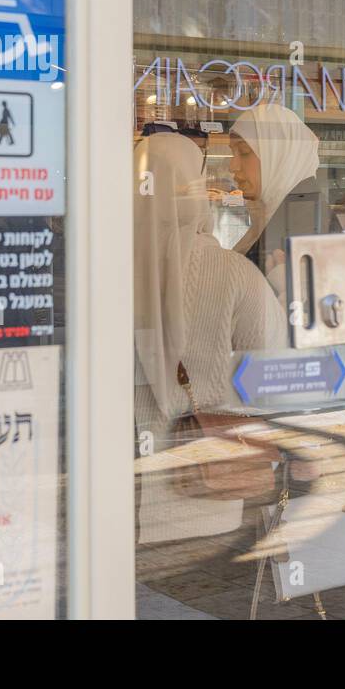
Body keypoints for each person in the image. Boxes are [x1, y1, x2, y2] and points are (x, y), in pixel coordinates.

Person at [132, 132, 286, 542]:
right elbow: (271, 376)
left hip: (119, 505)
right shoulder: (235, 273)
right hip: (214, 496)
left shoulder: (102, 273)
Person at [227, 103, 323, 297]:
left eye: (244, 152)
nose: (233, 165)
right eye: (233, 153)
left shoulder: (301, 226)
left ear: (279, 155)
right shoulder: (276, 216)